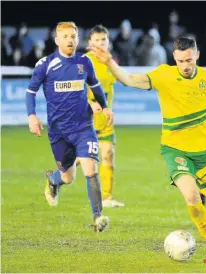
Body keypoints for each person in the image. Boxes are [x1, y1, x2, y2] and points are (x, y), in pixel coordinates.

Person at [89, 36, 206, 263]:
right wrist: (110, 63)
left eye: (189, 60)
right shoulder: (164, 75)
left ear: (197, 56)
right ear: (175, 57)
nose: (185, 65)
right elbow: (130, 80)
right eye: (181, 60)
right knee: (191, 196)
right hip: (175, 150)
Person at [25, 21, 113, 232]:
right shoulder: (45, 64)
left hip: (83, 126)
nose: (70, 40)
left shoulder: (84, 62)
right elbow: (30, 92)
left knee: (90, 168)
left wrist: (105, 106)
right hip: (59, 132)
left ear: (77, 39)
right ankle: (54, 179)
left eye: (73, 36)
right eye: (65, 37)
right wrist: (31, 116)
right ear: (57, 40)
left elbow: (95, 86)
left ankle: (98, 217)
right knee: (68, 176)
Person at [83, 24, 124, 208]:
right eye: (97, 40)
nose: (100, 43)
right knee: (78, 162)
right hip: (85, 120)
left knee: (108, 155)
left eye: (103, 40)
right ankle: (55, 179)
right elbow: (75, 91)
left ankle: (106, 198)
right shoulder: (84, 62)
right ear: (90, 42)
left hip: (105, 119)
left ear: (108, 42)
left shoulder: (110, 62)